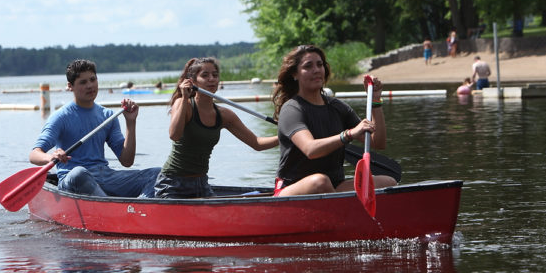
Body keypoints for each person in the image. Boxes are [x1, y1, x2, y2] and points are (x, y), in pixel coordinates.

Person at [271, 45, 397, 197]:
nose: (316, 70)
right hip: (292, 189)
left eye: (320, 64)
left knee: (388, 182)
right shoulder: (292, 109)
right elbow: (311, 150)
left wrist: (376, 102)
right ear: (294, 74)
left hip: (333, 186)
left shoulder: (337, 107)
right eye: (308, 66)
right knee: (320, 182)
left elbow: (378, 143)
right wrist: (348, 134)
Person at [30, 59, 160, 198]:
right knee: (78, 173)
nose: (90, 85)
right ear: (70, 86)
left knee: (157, 174)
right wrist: (51, 157)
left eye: (93, 79)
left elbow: (127, 161)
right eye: (83, 82)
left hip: (105, 177)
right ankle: (111, 208)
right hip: (74, 180)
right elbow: (34, 154)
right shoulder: (60, 117)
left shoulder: (108, 115)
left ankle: (137, 210)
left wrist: (130, 123)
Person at [154, 57, 278, 199]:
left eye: (215, 75)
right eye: (205, 75)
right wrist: (183, 98)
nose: (211, 79)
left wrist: (286, 135)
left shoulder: (225, 115)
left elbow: (257, 143)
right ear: (192, 81)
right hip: (173, 184)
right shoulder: (184, 105)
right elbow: (174, 135)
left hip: (201, 183)